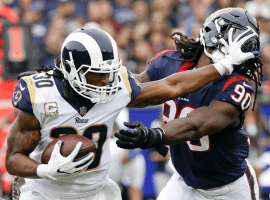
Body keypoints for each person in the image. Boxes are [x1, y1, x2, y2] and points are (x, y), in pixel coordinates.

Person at [5, 25, 258, 200]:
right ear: (71, 69)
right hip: (45, 192)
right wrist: (43, 170)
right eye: (97, 73)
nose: (106, 80)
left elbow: (172, 85)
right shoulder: (40, 95)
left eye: (110, 71)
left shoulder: (116, 87)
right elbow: (13, 159)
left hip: (95, 192)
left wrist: (224, 65)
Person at [115, 8, 263, 200]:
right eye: (233, 34)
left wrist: (154, 135)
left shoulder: (238, 84)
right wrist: (107, 81)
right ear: (212, 31)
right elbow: (135, 90)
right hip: (183, 182)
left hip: (227, 190)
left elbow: (197, 125)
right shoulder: (170, 61)